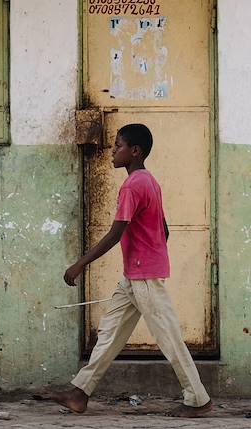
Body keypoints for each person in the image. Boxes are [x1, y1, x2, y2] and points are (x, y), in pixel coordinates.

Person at [47, 123, 212, 417]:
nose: (112, 151)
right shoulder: (149, 181)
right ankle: (79, 393)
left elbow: (115, 235)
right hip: (135, 276)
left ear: (135, 151)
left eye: (117, 146)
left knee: (169, 338)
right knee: (109, 333)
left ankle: (198, 399)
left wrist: (79, 265)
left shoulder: (132, 185)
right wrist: (152, 251)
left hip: (144, 276)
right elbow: (163, 228)